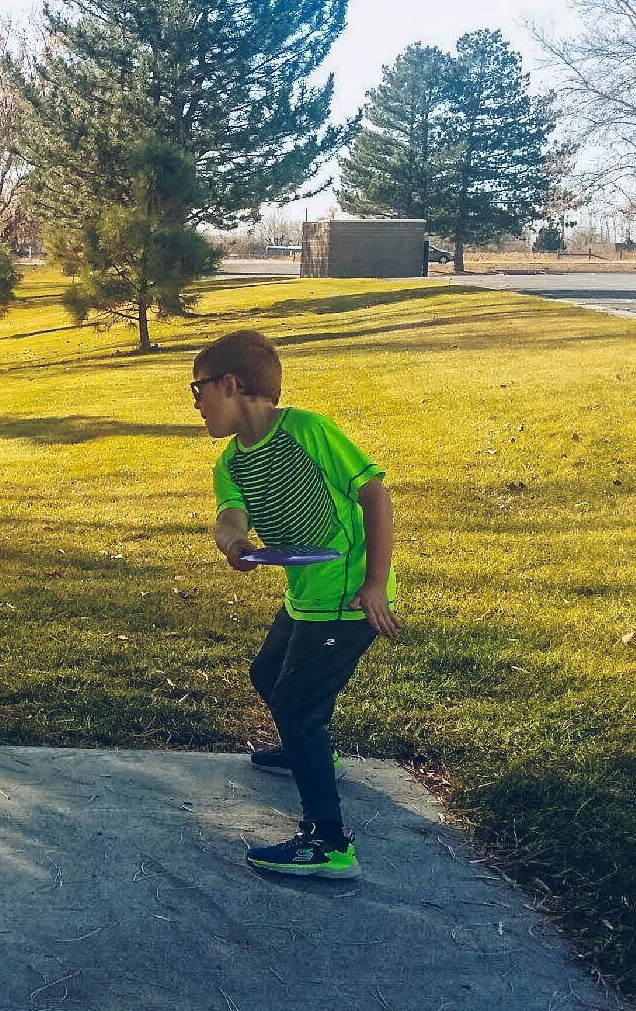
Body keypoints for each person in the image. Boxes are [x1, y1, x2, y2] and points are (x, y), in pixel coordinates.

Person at [191, 329, 399, 879]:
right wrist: (233, 541)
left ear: (231, 385)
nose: (195, 403)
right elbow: (231, 515)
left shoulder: (307, 431)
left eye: (198, 389)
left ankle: (329, 844)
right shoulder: (232, 461)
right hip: (306, 598)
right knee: (268, 674)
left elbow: (375, 493)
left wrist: (375, 583)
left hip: (348, 599)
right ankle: (310, 754)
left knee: (297, 705)